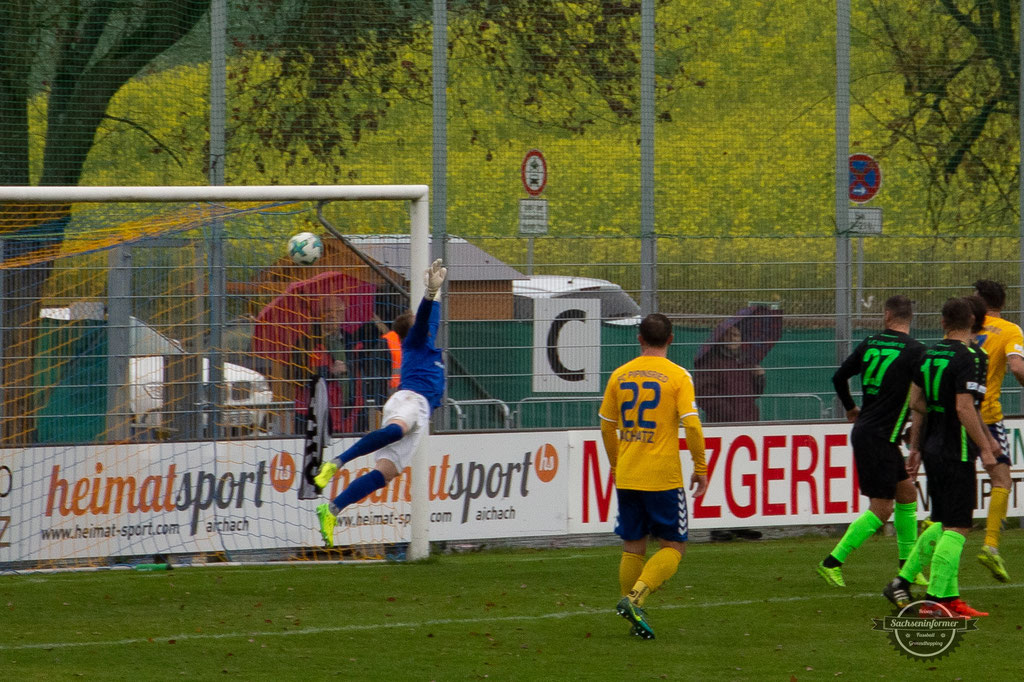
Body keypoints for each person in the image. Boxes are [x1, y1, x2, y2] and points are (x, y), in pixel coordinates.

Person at [313, 259, 447, 547]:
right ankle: (336, 463)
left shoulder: (427, 342)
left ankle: (332, 509)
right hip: (410, 400)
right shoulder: (414, 343)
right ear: (410, 332)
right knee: (398, 429)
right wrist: (427, 295)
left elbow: (430, 318)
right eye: (416, 322)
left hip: (420, 412)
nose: (423, 324)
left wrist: (435, 293)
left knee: (385, 474)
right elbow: (424, 318)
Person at [883, 298, 996, 618]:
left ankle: (939, 593)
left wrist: (916, 447)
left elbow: (916, 403)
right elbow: (965, 408)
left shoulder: (929, 353)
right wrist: (986, 449)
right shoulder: (972, 356)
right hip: (956, 448)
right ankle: (936, 600)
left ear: (943, 322)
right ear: (972, 322)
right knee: (959, 526)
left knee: (945, 520)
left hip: (932, 447)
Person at [598, 313, 708, 640]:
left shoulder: (619, 375)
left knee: (633, 546)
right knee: (674, 545)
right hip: (662, 476)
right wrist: (700, 468)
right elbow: (691, 424)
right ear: (671, 339)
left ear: (639, 339)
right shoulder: (677, 376)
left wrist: (617, 464)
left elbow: (606, 424)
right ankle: (635, 600)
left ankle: (634, 615)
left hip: (629, 473)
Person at [817, 295, 926, 587]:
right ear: (910, 318)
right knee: (881, 509)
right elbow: (919, 402)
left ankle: (908, 566)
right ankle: (831, 562)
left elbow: (839, 377)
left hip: (872, 432)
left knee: (906, 495)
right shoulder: (917, 351)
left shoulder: (870, 342)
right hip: (879, 437)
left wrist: (851, 408)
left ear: (887, 315)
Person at [971, 279, 1023, 582]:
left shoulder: (963, 325)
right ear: (1001, 304)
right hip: (987, 416)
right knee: (1002, 478)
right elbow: (1017, 367)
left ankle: (934, 528)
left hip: (955, 414)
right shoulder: (1009, 330)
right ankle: (990, 546)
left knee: (955, 483)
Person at [694, 323, 765, 423]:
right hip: (722, 423)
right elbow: (704, 394)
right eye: (728, 334)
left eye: (736, 335)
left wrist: (759, 378)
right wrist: (728, 413)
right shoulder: (709, 362)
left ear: (741, 340)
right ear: (720, 337)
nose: (732, 338)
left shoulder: (747, 362)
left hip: (749, 421)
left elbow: (756, 393)